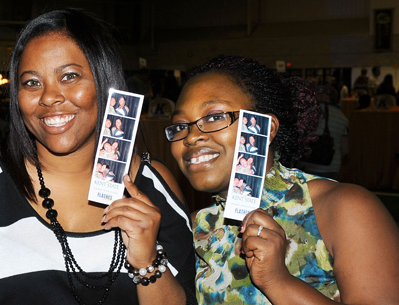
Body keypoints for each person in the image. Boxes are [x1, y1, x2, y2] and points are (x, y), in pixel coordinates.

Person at [0, 8, 196, 305]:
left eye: (69, 76)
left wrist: (146, 262)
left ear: (104, 83)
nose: (49, 97)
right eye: (31, 82)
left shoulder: (153, 184)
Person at [167, 55, 399, 304]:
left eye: (214, 116)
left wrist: (278, 281)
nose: (190, 137)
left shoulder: (346, 208)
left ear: (266, 129)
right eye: (180, 125)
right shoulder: (197, 227)